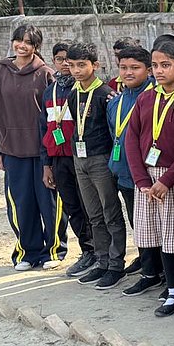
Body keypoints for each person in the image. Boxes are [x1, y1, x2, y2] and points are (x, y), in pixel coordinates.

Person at [0, 24, 66, 270]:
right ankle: (27, 253)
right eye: (18, 40)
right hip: (12, 152)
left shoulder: (46, 74)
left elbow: (54, 118)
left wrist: (51, 155)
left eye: (28, 42)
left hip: (42, 153)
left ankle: (53, 251)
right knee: (21, 204)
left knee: (49, 203)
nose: (21, 45)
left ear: (36, 47)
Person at [124, 39, 174, 317]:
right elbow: (131, 138)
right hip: (148, 180)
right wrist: (141, 180)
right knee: (160, 236)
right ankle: (172, 287)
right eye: (155, 65)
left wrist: (168, 179)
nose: (159, 71)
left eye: (166, 65)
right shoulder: (147, 97)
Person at [64, 41, 127, 290]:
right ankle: (101, 261)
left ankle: (116, 264)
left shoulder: (106, 95)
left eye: (82, 65)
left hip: (101, 158)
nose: (77, 70)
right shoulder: (73, 93)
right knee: (94, 214)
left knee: (110, 212)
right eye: (72, 66)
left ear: (95, 65)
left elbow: (114, 131)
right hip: (79, 159)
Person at [106, 44, 159, 289]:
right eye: (123, 68)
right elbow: (113, 135)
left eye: (135, 68)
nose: (128, 73)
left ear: (148, 70)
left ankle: (158, 272)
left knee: (156, 227)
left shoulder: (153, 98)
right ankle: (148, 268)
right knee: (138, 224)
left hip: (149, 177)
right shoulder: (115, 102)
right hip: (124, 174)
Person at [42, 41, 95, 277]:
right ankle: (87, 251)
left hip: (82, 156)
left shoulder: (84, 90)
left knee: (91, 207)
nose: (66, 65)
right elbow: (41, 129)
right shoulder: (49, 91)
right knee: (72, 207)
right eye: (61, 60)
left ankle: (100, 251)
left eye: (70, 61)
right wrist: (46, 164)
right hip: (59, 159)